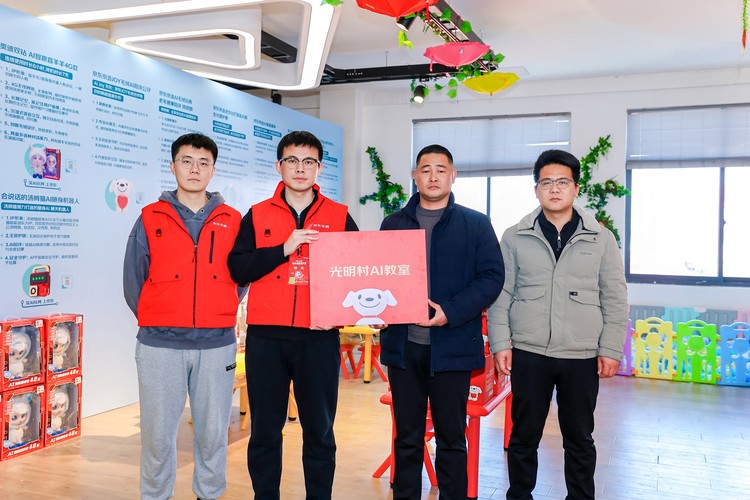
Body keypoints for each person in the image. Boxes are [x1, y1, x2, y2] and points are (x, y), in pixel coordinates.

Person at [487, 149, 628, 500]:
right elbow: (502, 294)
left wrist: (611, 349)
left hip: (581, 354)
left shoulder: (601, 238)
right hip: (529, 351)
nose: (554, 189)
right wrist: (501, 343)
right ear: (536, 189)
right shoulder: (515, 236)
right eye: (546, 182)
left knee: (579, 438)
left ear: (576, 188)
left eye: (562, 182)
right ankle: (519, 495)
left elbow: (615, 297)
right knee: (523, 436)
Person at [227, 130, 358, 500]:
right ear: (279, 166)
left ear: (319, 168)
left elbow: (356, 274)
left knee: (320, 431)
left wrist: (346, 315)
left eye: (309, 161)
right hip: (266, 338)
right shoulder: (257, 215)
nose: (300, 168)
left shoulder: (339, 215)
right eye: (292, 161)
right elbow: (238, 269)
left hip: (318, 338)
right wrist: (282, 249)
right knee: (265, 431)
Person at [379, 144, 505, 500]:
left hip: (453, 348)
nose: (433, 176)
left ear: (453, 176)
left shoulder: (475, 224)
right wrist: (374, 313)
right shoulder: (393, 223)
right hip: (403, 349)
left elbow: (492, 277)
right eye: (425, 169)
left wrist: (449, 311)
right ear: (415, 176)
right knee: (407, 437)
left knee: (452, 438)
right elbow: (379, 277)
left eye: (440, 169)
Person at [123, 132, 243, 500]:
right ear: (173, 166)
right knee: (157, 436)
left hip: (216, 345)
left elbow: (240, 278)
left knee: (213, 434)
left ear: (213, 170)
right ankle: (155, 495)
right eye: (187, 161)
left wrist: (218, 308)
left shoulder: (232, 219)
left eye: (203, 163)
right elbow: (134, 279)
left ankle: (209, 494)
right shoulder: (150, 217)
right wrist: (159, 316)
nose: (194, 169)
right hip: (160, 345)